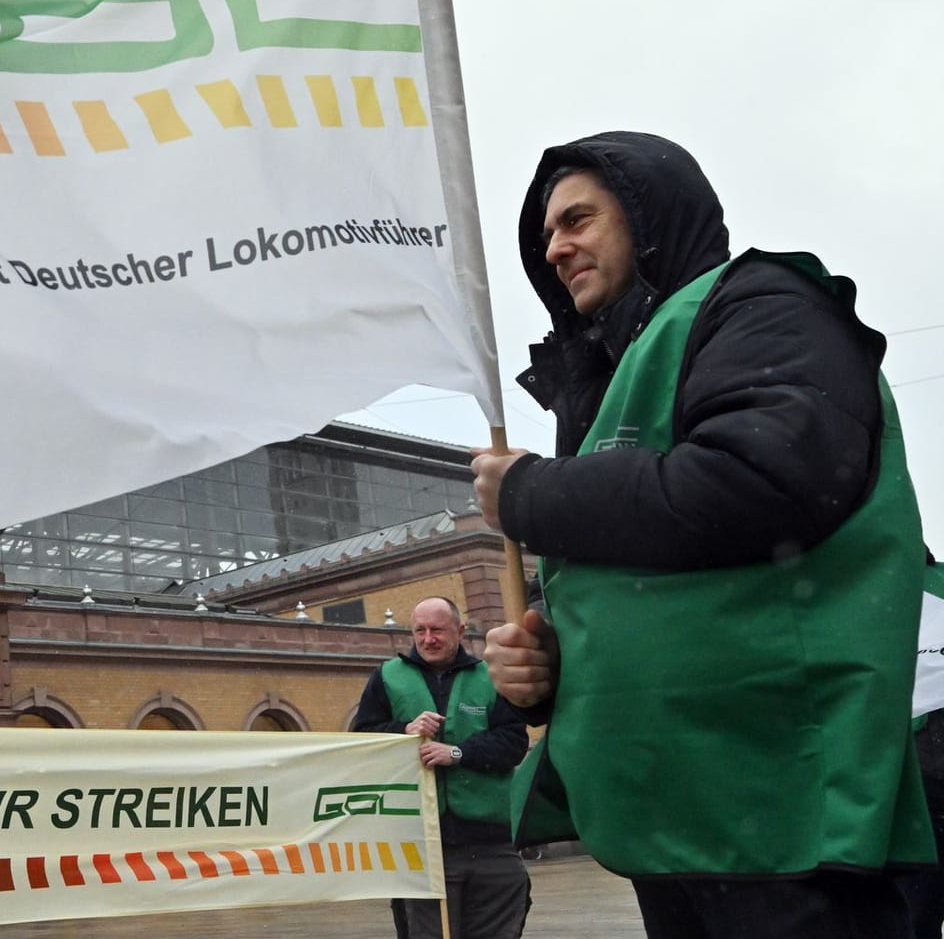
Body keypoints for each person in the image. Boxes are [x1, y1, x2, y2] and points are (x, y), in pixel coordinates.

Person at [472, 131, 931, 937]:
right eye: (546, 233)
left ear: (650, 216)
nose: (554, 247)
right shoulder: (622, 374)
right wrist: (547, 672)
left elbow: (758, 482)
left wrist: (532, 492)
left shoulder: (759, 302)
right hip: (680, 823)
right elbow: (663, 588)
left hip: (783, 817)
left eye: (577, 219)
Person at [353, 596, 530, 939]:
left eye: (437, 630)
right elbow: (361, 740)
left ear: (460, 631)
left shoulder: (490, 676)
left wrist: (458, 753)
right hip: (422, 845)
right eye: (420, 630)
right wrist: (403, 731)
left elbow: (514, 743)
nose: (428, 639)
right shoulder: (387, 677)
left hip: (492, 843)